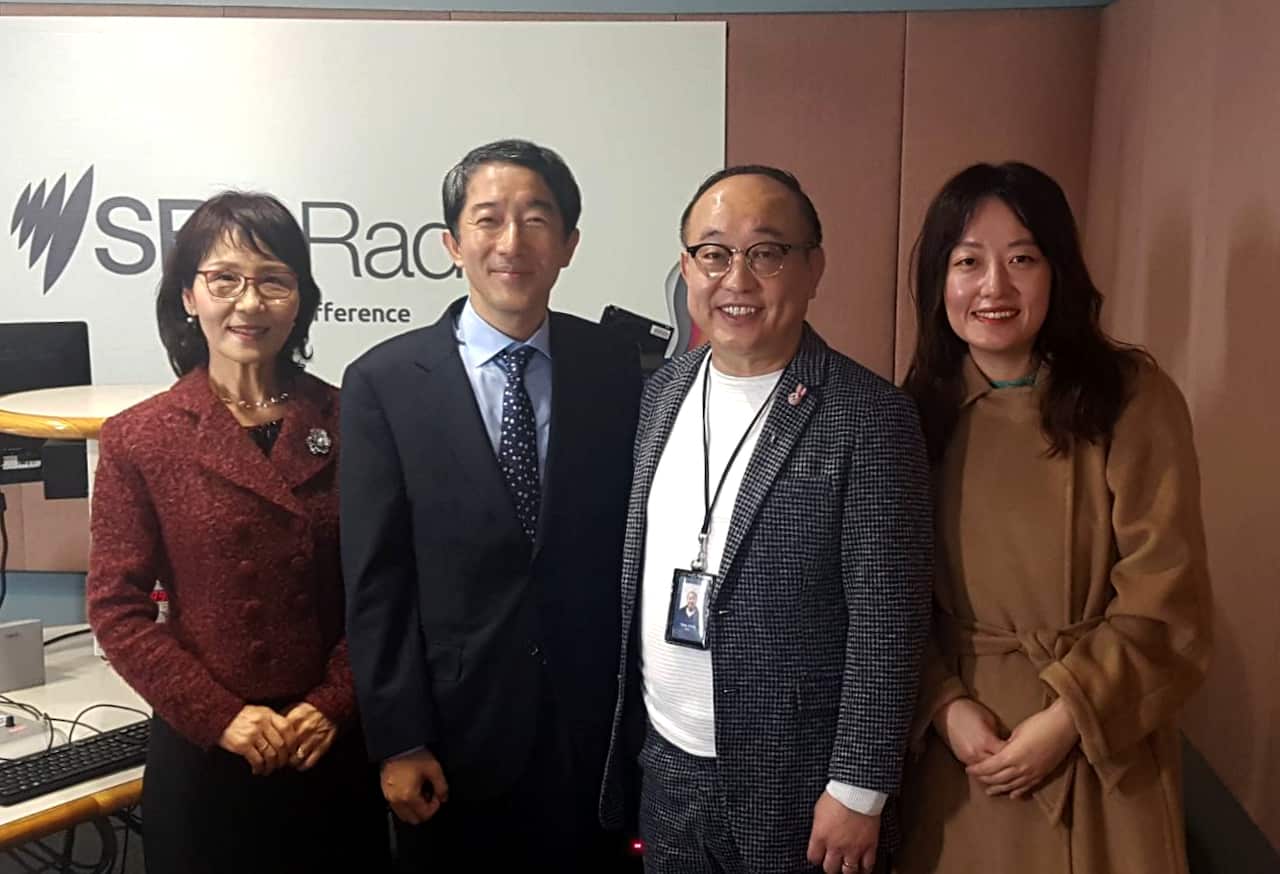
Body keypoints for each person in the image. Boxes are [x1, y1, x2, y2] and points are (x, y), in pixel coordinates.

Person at [599, 165, 934, 874]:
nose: (736, 280)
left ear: (813, 267)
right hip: (666, 764)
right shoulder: (660, 392)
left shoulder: (869, 418)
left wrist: (860, 788)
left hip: (802, 785)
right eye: (713, 253)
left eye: (766, 252)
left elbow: (890, 619)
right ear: (687, 267)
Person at [895, 161, 1213, 874]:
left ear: (1058, 272)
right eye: (968, 262)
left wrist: (1068, 718)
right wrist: (943, 703)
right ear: (937, 283)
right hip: (962, 752)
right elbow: (888, 598)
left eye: (1023, 259)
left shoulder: (1131, 398)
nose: (994, 287)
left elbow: (1169, 596)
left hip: (1101, 743)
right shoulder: (911, 413)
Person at [341, 139, 641, 872]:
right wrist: (398, 737)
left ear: (568, 245)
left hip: (592, 735)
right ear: (450, 243)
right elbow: (375, 579)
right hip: (453, 738)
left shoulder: (621, 371)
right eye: (488, 219)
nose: (512, 242)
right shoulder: (383, 382)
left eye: (537, 219)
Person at [86, 192, 388, 874]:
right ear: (189, 295)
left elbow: (385, 585)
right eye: (225, 279)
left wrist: (335, 701)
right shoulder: (141, 437)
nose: (249, 303)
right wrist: (220, 716)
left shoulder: (353, 421)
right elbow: (116, 606)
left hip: (330, 747)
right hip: (206, 756)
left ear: (300, 298)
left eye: (272, 280)